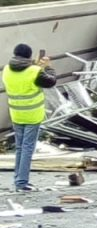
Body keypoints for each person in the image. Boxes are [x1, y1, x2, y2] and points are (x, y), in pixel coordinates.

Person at [4, 44, 57, 192]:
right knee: (28, 148)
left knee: (20, 147)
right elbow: (51, 82)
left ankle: (17, 179)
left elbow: (23, 73)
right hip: (32, 114)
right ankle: (22, 182)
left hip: (16, 113)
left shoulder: (7, 69)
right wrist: (48, 67)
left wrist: (36, 65)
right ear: (29, 56)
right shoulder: (35, 71)